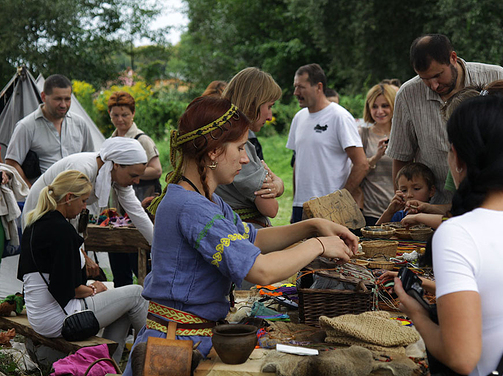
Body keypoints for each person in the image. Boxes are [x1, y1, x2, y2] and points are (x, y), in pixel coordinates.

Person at [123, 96, 358, 375]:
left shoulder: (206, 200)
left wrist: (313, 226)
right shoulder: (192, 207)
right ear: (213, 151)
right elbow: (260, 270)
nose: (245, 158)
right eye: (240, 147)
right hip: (174, 347)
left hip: (188, 338)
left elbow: (254, 240)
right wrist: (318, 245)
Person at [395, 95, 503, 375]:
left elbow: (461, 356)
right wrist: (427, 286)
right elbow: (501, 298)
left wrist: (415, 311)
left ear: (458, 157)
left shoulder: (458, 233)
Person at [17, 170, 148, 363]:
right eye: (84, 201)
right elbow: (66, 289)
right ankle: (157, 354)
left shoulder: (34, 224)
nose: (84, 207)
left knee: (122, 306)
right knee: (137, 294)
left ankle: (106, 364)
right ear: (69, 198)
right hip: (60, 318)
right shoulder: (62, 231)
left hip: (39, 316)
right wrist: (94, 289)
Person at [386, 34, 503, 205]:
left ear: (453, 58)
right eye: (425, 79)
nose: (434, 85)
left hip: (497, 204)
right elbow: (401, 157)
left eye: (438, 75)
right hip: (435, 206)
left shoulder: (495, 77)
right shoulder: (408, 95)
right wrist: (403, 206)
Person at [22, 137, 154, 278]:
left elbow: (137, 212)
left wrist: (158, 246)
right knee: (52, 272)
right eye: (133, 175)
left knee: (73, 271)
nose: (137, 181)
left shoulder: (113, 173)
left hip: (64, 224)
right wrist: (82, 256)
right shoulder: (83, 168)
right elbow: (66, 216)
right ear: (116, 165)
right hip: (42, 214)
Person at [287, 63, 368, 223]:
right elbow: (298, 162)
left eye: (301, 87)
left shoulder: (339, 117)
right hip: (301, 206)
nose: (296, 93)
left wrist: (339, 200)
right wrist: (295, 203)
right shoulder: (299, 118)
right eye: (295, 87)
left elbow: (362, 164)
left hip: (329, 208)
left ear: (318, 87)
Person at [215, 67, 284, 228]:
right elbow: (271, 208)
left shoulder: (218, 137)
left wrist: (278, 184)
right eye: (269, 106)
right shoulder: (237, 145)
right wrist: (277, 183)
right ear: (253, 104)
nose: (270, 116)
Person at [5, 74, 96, 187]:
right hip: (44, 197)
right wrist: (31, 191)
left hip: (75, 196)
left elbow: (90, 158)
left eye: (67, 99)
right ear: (43, 97)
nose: (63, 104)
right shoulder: (26, 126)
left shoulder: (80, 124)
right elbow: (12, 163)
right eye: (58, 99)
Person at [108, 91, 162, 202]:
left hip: (142, 196)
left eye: (124, 115)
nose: (119, 120)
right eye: (115, 115)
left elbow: (156, 170)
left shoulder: (142, 140)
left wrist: (129, 174)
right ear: (109, 114)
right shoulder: (110, 141)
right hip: (118, 199)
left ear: (133, 113)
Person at [358, 84, 397, 225]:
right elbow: (355, 172)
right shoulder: (363, 134)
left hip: (400, 211)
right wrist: (376, 157)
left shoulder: (403, 133)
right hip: (371, 212)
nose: (379, 111)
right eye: (374, 106)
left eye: (385, 105)